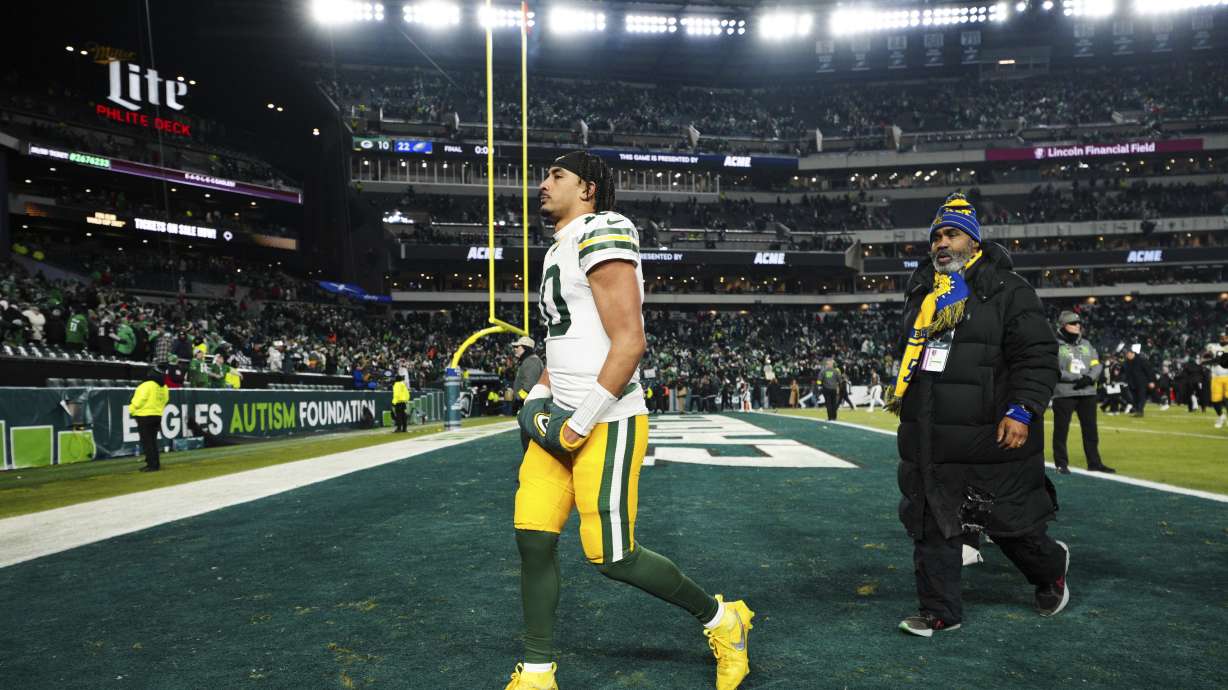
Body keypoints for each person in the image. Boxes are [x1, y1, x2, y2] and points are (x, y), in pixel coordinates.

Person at [506, 151, 753, 690]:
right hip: (559, 418)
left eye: (556, 175)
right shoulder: (559, 245)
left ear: (588, 188)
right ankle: (538, 670)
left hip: (607, 419)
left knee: (613, 556)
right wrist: (537, 398)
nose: (543, 184)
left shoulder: (606, 229)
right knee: (533, 537)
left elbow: (630, 342)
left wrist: (577, 424)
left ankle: (722, 619)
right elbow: (565, 344)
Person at [888, 194, 1068, 637]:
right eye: (936, 237)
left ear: (975, 241)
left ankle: (1052, 569)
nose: (941, 244)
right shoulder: (923, 292)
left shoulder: (1009, 290)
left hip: (991, 433)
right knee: (932, 524)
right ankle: (940, 611)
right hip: (932, 434)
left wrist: (1022, 409)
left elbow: (1038, 355)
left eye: (951, 234)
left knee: (1012, 526)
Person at [1050, 311, 1114, 474]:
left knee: (1091, 431)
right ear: (1063, 326)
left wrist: (1089, 378)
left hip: (1087, 392)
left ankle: (1094, 463)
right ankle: (1061, 464)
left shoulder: (1086, 344)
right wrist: (1076, 378)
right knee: (1061, 431)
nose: (1078, 326)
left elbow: (1096, 364)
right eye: (1073, 323)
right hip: (1064, 393)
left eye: (1079, 323)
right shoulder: (1054, 346)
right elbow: (1054, 369)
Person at [129, 365, 169, 472]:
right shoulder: (164, 386)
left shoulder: (146, 385)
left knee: (147, 442)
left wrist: (131, 409)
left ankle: (151, 465)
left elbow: (139, 400)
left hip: (144, 416)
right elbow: (165, 400)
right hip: (157, 415)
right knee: (153, 441)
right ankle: (155, 463)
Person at [511, 336, 544, 414]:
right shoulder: (529, 360)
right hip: (529, 404)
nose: (515, 349)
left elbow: (529, 386)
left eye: (517, 346)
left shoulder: (531, 361)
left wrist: (518, 400)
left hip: (530, 406)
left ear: (525, 348)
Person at [1122, 344, 1155, 417]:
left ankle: (1140, 411)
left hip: (1142, 383)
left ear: (1132, 353)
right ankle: (1137, 410)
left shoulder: (1141, 360)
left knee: (1141, 397)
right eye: (1126, 354)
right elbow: (1125, 373)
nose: (1127, 355)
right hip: (1132, 383)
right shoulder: (1126, 362)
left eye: (1128, 353)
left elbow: (1149, 371)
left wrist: (1151, 381)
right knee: (1135, 398)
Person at [1206, 332, 1228, 428]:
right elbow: (1207, 356)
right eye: (1222, 338)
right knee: (1215, 401)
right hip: (1216, 377)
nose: (1224, 339)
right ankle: (1221, 416)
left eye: (1225, 338)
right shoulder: (1213, 347)